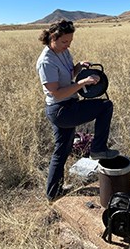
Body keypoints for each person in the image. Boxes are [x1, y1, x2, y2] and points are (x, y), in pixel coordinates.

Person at [36, 20, 119, 203]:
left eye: (70, 41)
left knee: (62, 150)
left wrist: (78, 68)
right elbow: (56, 93)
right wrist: (82, 83)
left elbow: (68, 76)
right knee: (106, 106)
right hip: (61, 110)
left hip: (67, 106)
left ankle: (53, 193)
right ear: (52, 38)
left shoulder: (64, 52)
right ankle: (98, 149)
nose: (68, 45)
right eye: (64, 41)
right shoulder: (46, 62)